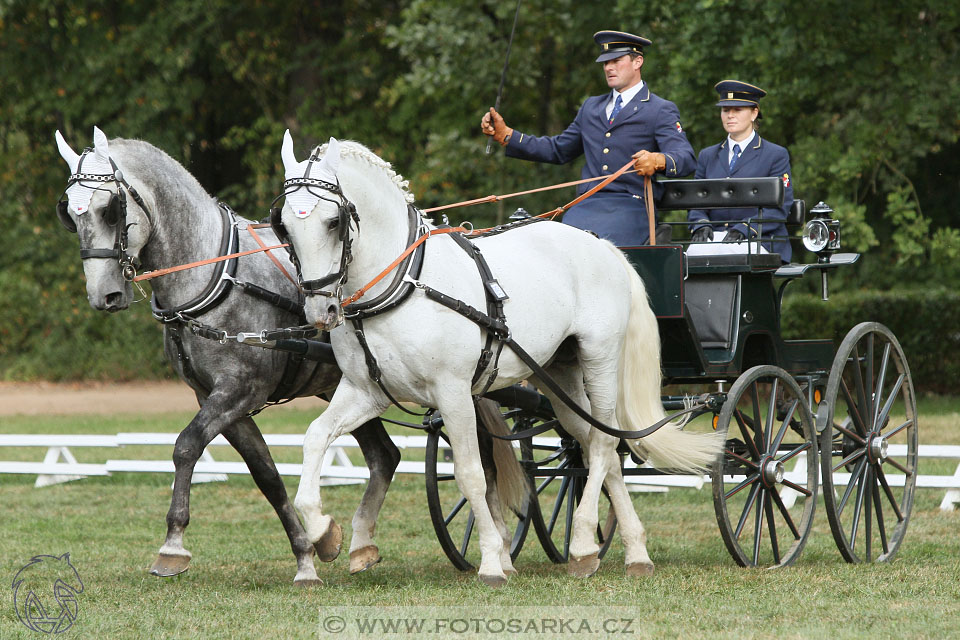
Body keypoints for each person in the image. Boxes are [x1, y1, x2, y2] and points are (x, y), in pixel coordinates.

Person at [480, 30, 695, 247]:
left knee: (597, 253)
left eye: (616, 61)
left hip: (630, 207)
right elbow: (558, 149)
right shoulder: (591, 107)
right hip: (584, 206)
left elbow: (685, 158)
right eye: (605, 63)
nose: (609, 67)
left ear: (637, 61)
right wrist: (507, 135)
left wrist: (659, 160)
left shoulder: (659, 109)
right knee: (555, 250)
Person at [686, 80, 794, 262]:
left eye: (737, 110)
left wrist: (745, 229)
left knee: (729, 255)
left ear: (754, 113)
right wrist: (700, 225)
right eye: (725, 110)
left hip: (759, 238)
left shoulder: (775, 154)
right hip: (715, 237)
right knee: (689, 259)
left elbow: (780, 206)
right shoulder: (707, 155)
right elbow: (697, 202)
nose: (730, 116)